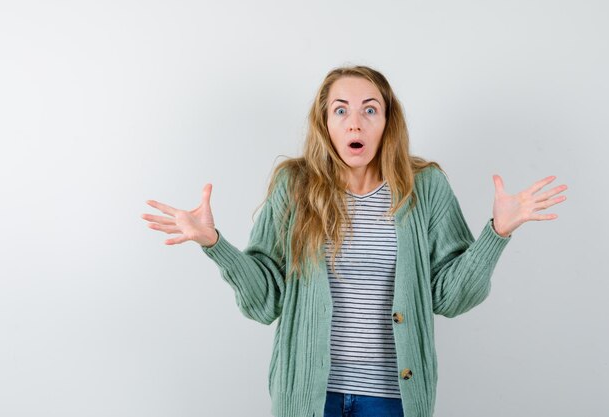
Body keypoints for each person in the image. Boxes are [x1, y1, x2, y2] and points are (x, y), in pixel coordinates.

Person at [141, 65, 568, 417]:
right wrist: (214, 243)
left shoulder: (426, 187)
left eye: (370, 110)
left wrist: (496, 233)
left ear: (387, 121)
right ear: (325, 124)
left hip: (392, 398)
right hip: (309, 396)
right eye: (340, 110)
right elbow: (264, 301)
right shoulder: (295, 186)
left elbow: (449, 298)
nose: (355, 122)